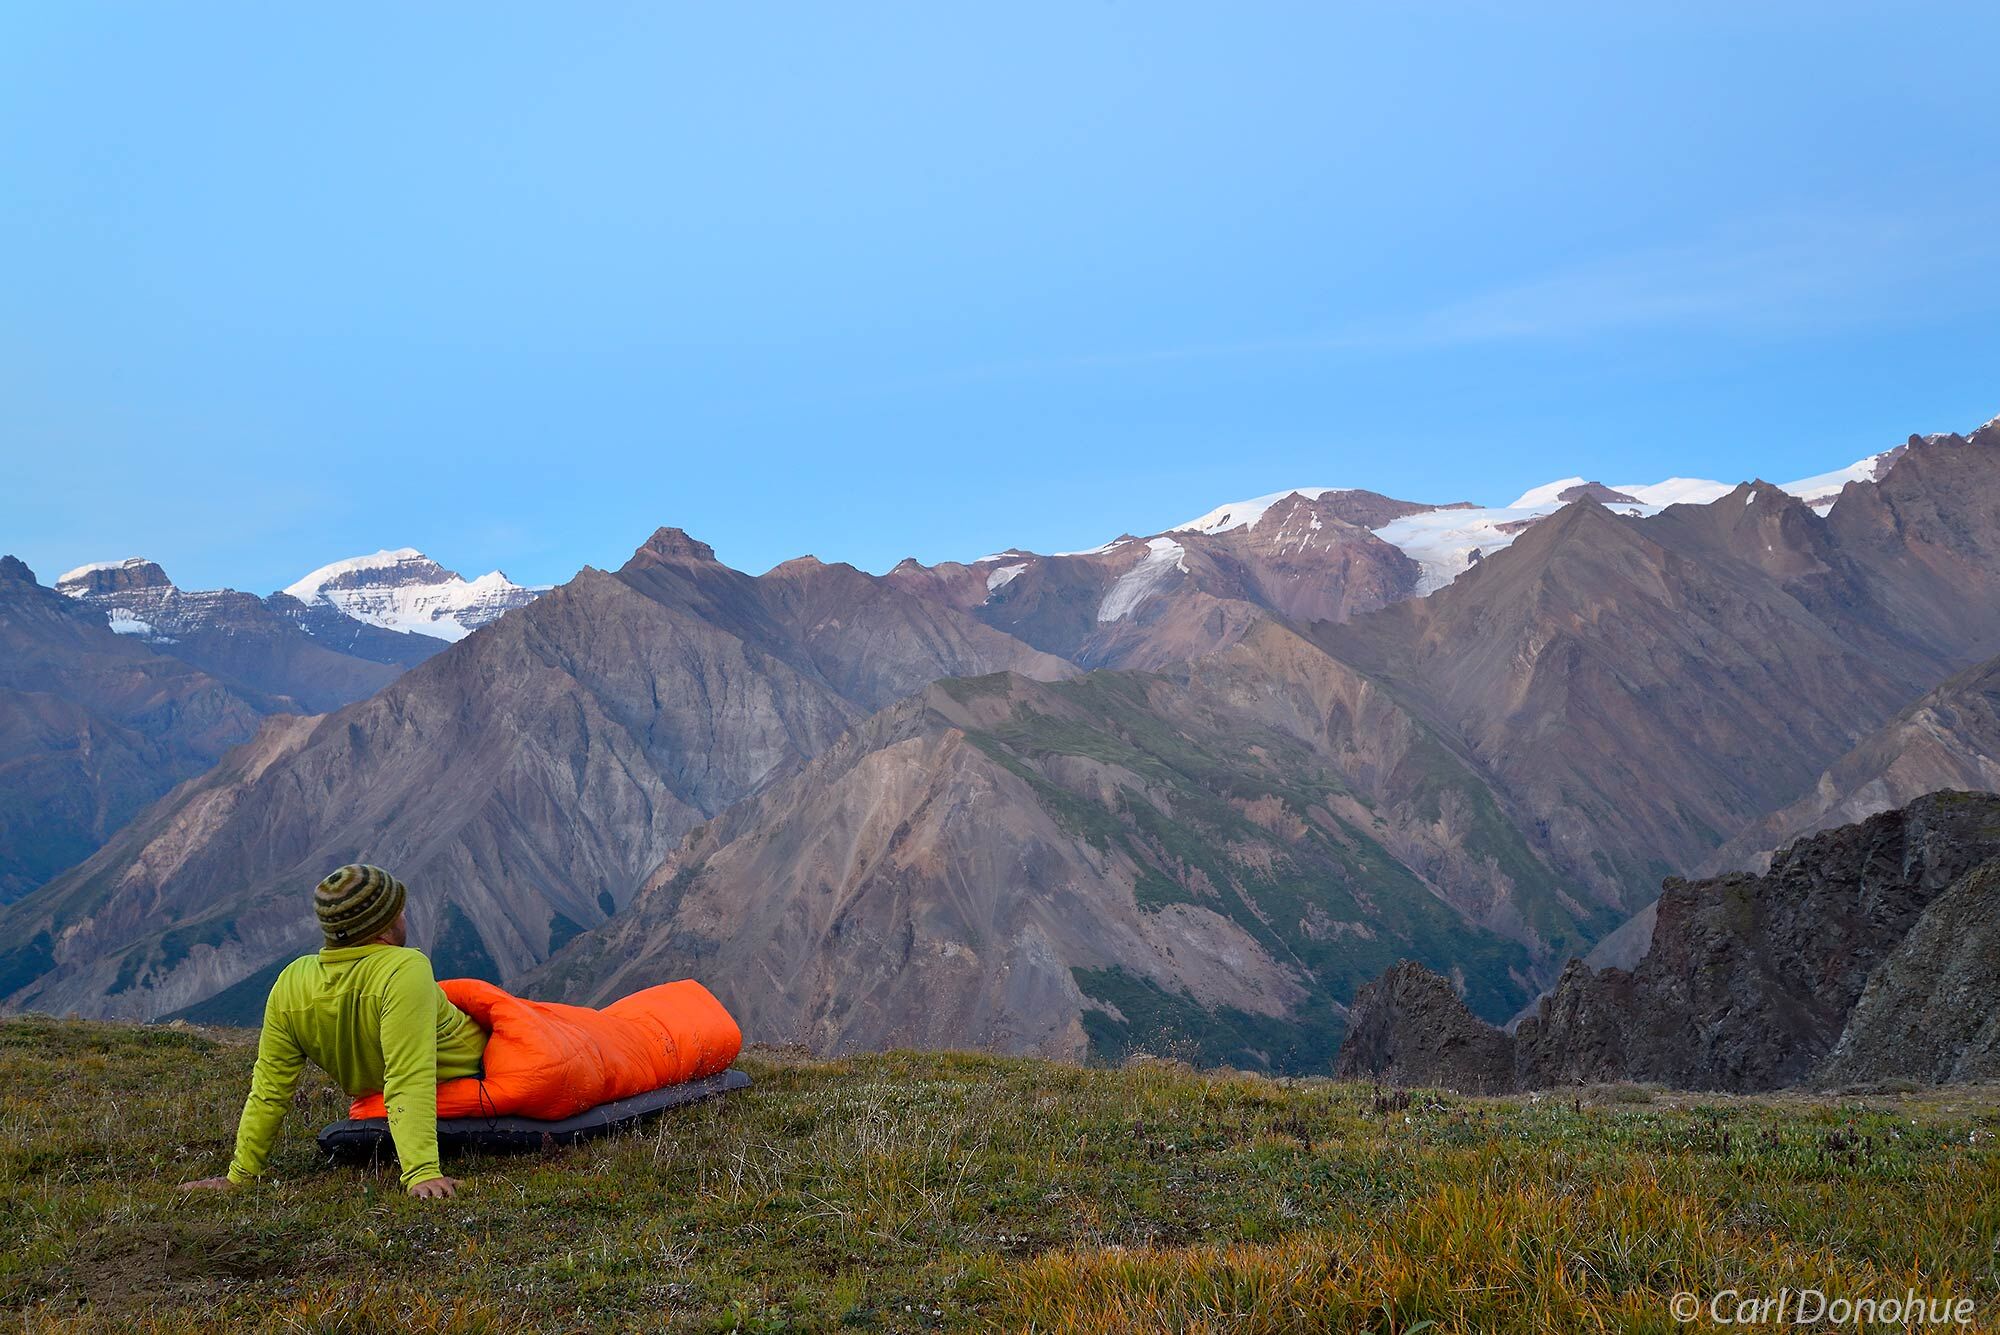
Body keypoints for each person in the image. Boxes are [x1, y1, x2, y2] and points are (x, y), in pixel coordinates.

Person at [178, 864, 487, 1200]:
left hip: (385, 1097)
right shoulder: (404, 967)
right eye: (399, 912)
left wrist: (240, 1174)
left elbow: (270, 1090)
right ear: (382, 927)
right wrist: (422, 1172)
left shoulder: (291, 981)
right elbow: (408, 1076)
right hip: (486, 1072)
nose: (404, 919)